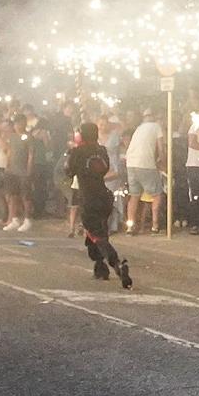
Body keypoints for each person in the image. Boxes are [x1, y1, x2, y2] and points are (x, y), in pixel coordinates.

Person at [67, 121, 133, 289]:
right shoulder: (101, 150)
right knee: (95, 232)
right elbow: (104, 169)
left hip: (89, 198)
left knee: (98, 236)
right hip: (104, 196)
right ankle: (100, 267)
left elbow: (69, 171)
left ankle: (116, 264)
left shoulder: (77, 152)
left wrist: (72, 153)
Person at [125, 108, 165, 234]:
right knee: (157, 195)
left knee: (134, 195)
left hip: (131, 163)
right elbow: (161, 149)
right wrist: (163, 163)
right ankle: (155, 225)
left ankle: (130, 226)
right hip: (146, 164)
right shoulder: (156, 127)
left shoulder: (139, 128)